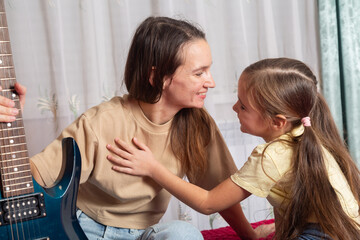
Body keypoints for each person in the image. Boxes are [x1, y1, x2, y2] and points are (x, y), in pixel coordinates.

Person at [0, 16, 274, 239]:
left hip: (144, 233)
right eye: (199, 72)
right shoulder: (101, 122)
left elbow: (218, 194)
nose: (210, 82)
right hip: (84, 229)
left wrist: (249, 237)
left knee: (185, 234)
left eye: (208, 70)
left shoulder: (197, 124)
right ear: (157, 76)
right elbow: (33, 179)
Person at [107, 57, 360, 240]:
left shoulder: (272, 156)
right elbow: (284, 202)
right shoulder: (302, 135)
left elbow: (208, 203)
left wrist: (153, 168)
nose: (234, 108)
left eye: (243, 106)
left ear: (277, 122)